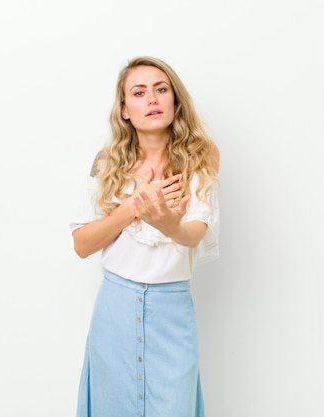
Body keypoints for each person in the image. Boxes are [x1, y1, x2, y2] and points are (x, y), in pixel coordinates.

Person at [70, 56, 220, 417]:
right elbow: (82, 244)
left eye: (161, 89)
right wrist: (133, 207)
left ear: (174, 100)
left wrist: (168, 223)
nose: (152, 99)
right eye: (139, 92)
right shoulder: (106, 162)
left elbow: (194, 233)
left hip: (172, 310)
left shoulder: (202, 157)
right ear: (125, 109)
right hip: (115, 310)